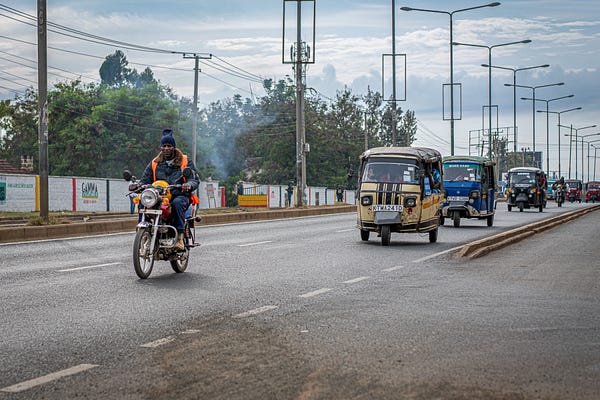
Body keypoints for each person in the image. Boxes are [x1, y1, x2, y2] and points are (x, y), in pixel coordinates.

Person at [133, 129, 199, 251]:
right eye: (164, 146)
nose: (166, 148)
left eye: (169, 146)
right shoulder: (154, 162)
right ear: (161, 148)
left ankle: (179, 237)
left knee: (177, 204)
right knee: (143, 201)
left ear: (174, 147)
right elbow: (145, 179)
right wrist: (139, 186)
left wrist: (188, 185)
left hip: (179, 195)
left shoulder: (185, 161)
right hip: (159, 196)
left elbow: (194, 179)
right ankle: (144, 230)